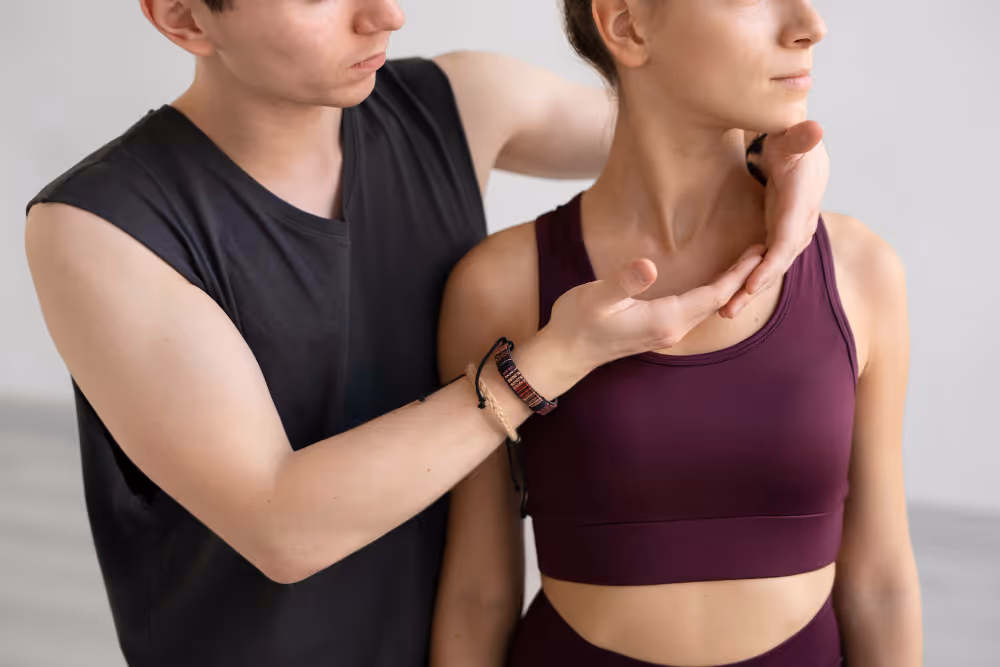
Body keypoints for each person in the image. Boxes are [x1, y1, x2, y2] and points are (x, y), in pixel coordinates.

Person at [23, 0, 831, 665]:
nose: (387, 15)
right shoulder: (96, 227)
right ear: (185, 19)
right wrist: (549, 361)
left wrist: (789, 155)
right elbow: (281, 526)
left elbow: (680, 118)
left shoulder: (459, 103)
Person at [431, 1, 922, 666]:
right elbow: (478, 591)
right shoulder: (499, 286)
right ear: (628, 24)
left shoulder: (862, 273)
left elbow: (882, 584)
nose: (810, 24)